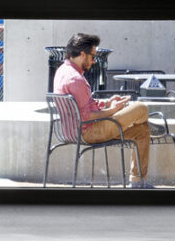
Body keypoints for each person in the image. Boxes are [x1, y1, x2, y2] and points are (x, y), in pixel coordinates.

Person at [51, 32, 157, 186]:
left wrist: (107, 103)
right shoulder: (75, 79)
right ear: (82, 54)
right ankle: (142, 120)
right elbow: (86, 116)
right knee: (140, 107)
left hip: (72, 130)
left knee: (142, 131)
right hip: (89, 131)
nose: (94, 61)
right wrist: (113, 110)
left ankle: (137, 182)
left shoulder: (63, 71)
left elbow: (84, 106)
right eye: (92, 56)